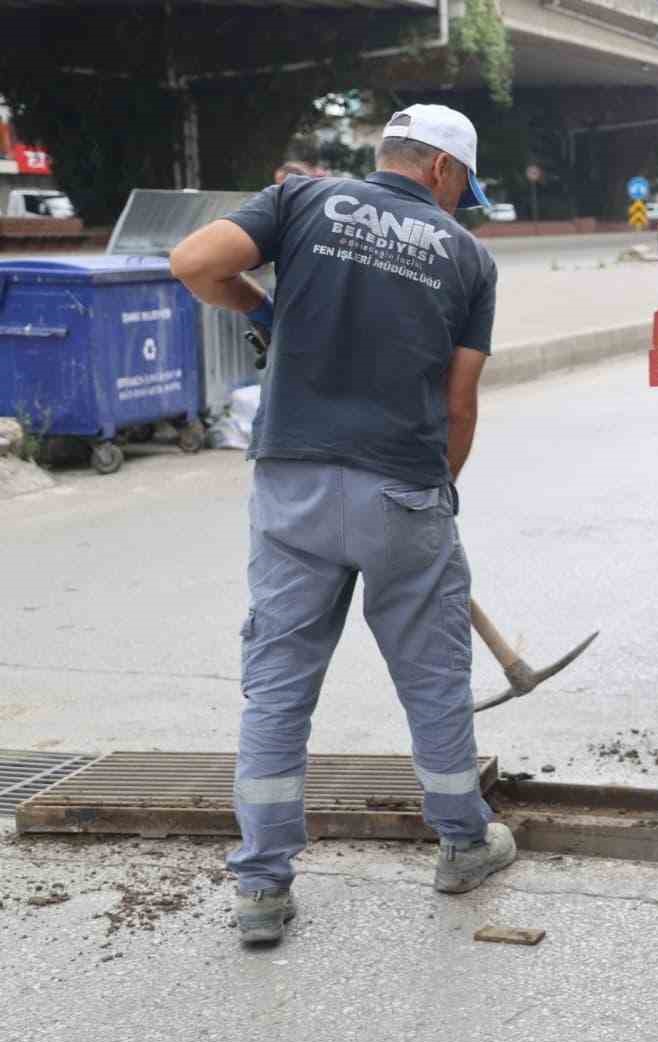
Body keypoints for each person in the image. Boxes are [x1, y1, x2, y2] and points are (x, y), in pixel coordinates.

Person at [170, 104, 506, 945]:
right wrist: (436, 497)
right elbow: (460, 403)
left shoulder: (303, 202)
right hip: (403, 491)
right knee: (432, 680)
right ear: (440, 169)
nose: (464, 202)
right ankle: (464, 843)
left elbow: (194, 262)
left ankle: (260, 887)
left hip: (293, 487)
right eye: (465, 184)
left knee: (277, 689)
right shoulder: (468, 256)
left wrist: (263, 312)